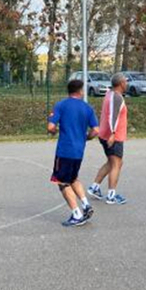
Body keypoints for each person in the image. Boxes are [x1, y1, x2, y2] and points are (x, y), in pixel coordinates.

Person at [48, 79, 99, 227]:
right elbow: (96, 130)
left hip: (65, 150)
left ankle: (76, 214)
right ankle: (85, 204)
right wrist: (86, 138)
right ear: (80, 91)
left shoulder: (61, 105)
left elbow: (51, 126)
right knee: (73, 178)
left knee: (62, 182)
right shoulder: (87, 108)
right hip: (79, 150)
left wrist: (55, 131)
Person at [89, 73, 129, 205]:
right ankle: (111, 195)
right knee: (116, 164)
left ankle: (94, 187)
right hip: (113, 136)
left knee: (113, 163)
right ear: (121, 83)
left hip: (106, 135)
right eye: (125, 82)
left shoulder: (109, 94)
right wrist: (112, 133)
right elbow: (113, 115)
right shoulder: (117, 98)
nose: (127, 84)